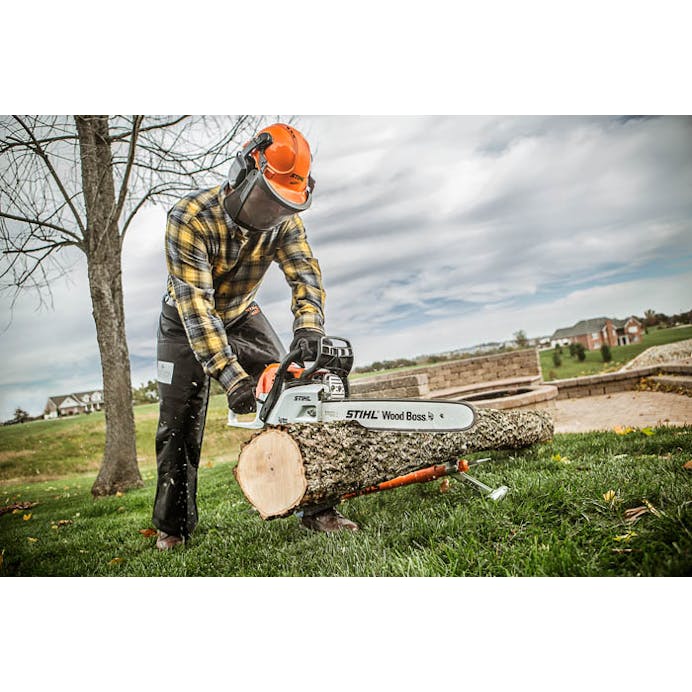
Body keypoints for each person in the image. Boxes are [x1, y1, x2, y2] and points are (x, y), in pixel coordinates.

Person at [152, 123, 358, 550]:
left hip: (243, 312)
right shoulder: (189, 218)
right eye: (268, 200)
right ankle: (172, 529)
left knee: (298, 392)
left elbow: (305, 274)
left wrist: (309, 326)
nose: (273, 214)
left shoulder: (284, 222)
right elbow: (197, 307)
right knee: (178, 426)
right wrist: (231, 377)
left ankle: (318, 506)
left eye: (283, 205)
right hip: (185, 321)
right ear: (244, 171)